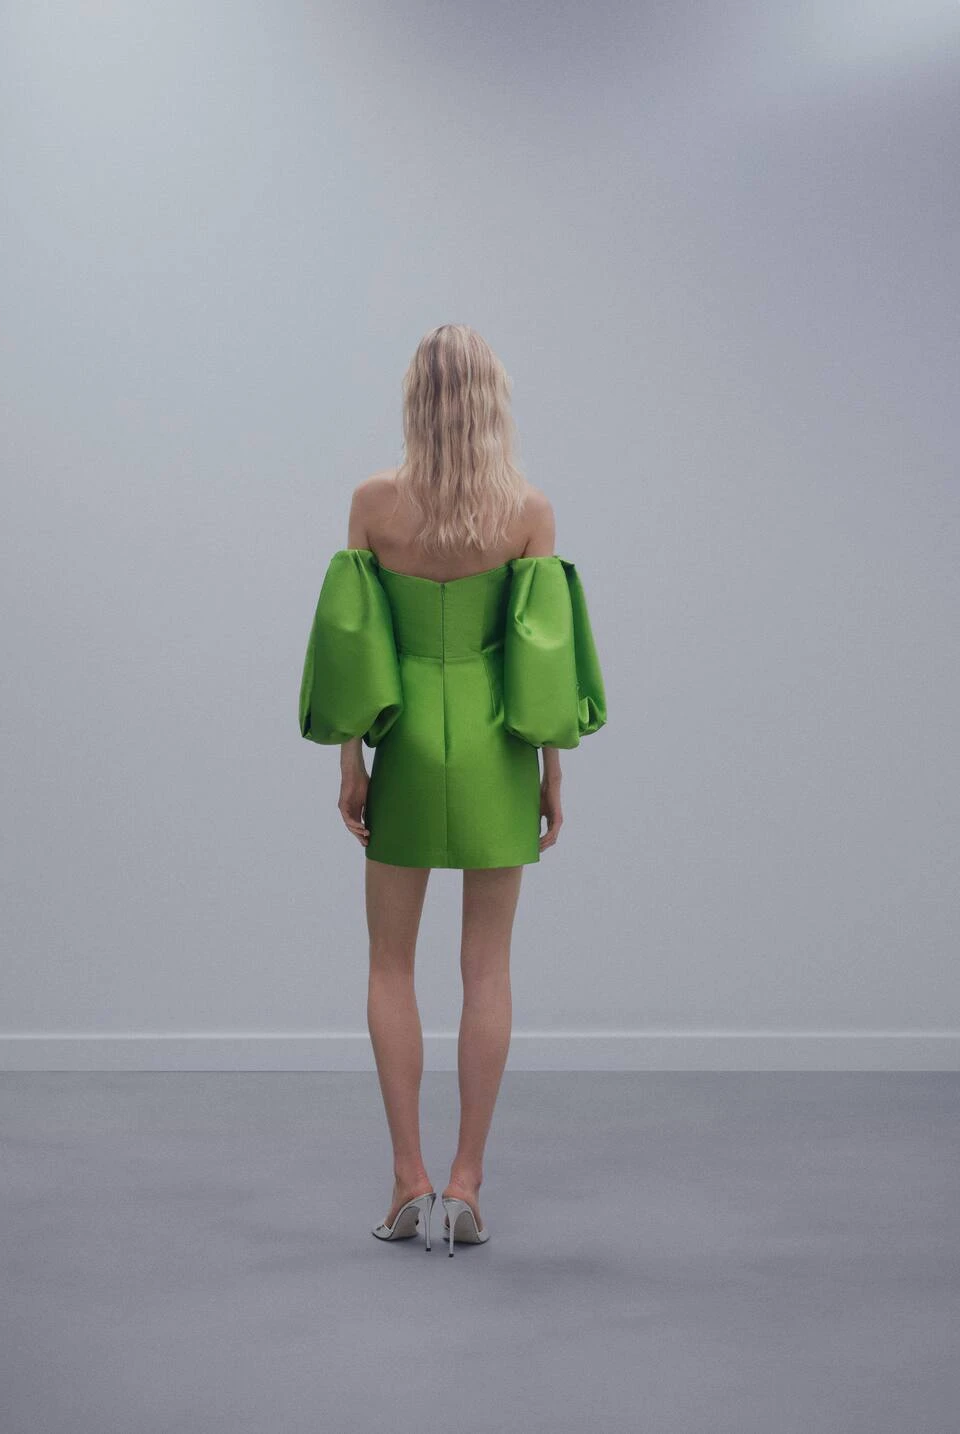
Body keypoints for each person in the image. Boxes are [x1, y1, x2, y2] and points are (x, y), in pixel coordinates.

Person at [298, 324, 607, 1255]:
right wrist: (552, 774)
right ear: (490, 402)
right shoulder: (526, 513)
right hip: (495, 747)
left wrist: (350, 763)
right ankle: (467, 1182)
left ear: (415, 400)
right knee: (488, 969)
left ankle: (408, 1180)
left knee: (389, 966)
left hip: (405, 745)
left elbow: (355, 649)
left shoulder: (374, 505)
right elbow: (542, 666)